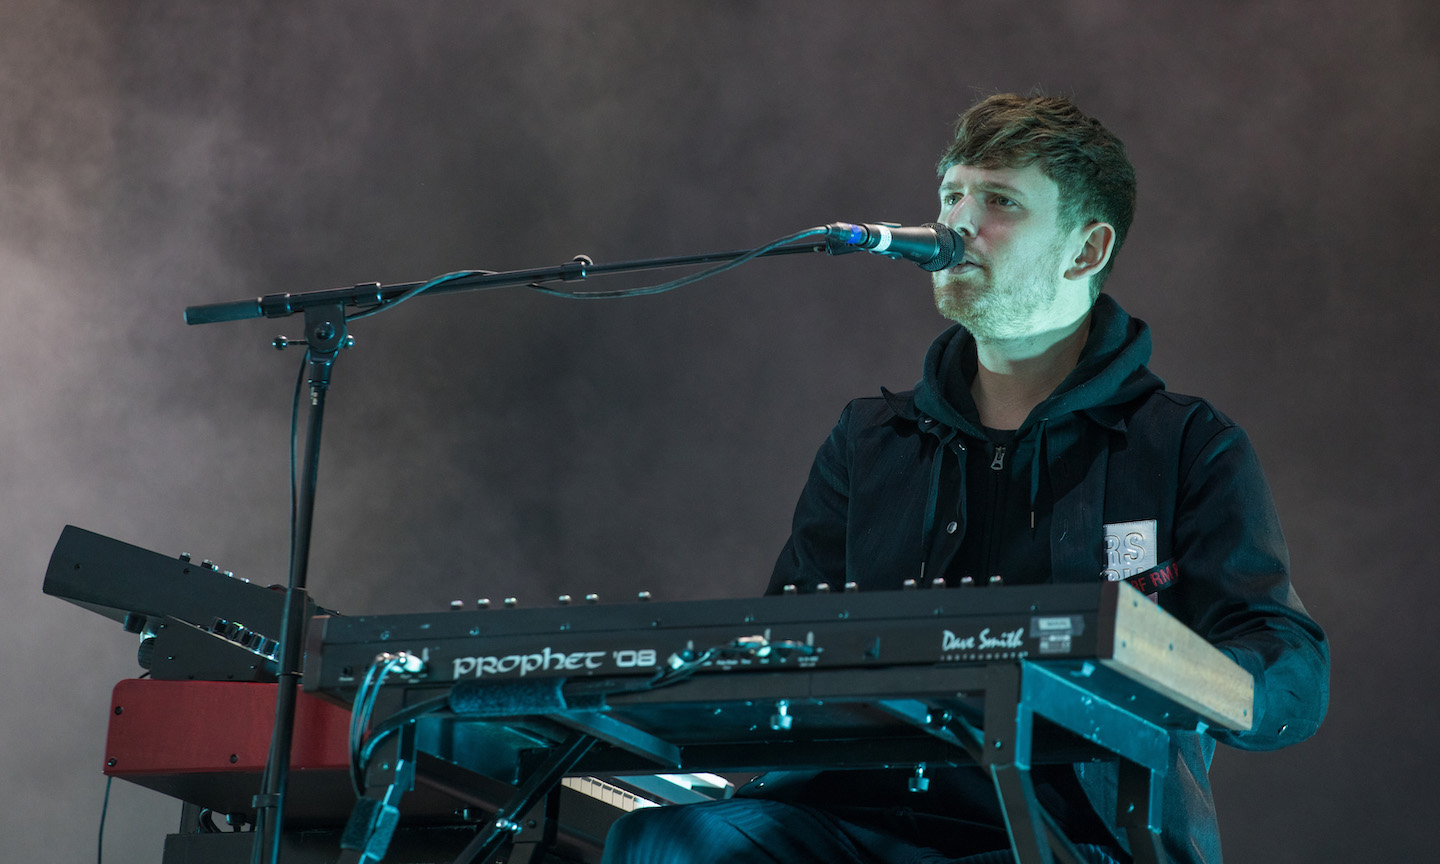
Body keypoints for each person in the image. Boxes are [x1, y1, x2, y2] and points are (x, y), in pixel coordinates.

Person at [601, 92, 1329, 864]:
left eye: (999, 201)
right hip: (841, 815)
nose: (956, 223)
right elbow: (783, 645)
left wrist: (1160, 664)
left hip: (1065, 836)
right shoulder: (868, 440)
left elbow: (1286, 661)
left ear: (1085, 250)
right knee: (664, 842)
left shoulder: (1186, 445)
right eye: (951, 195)